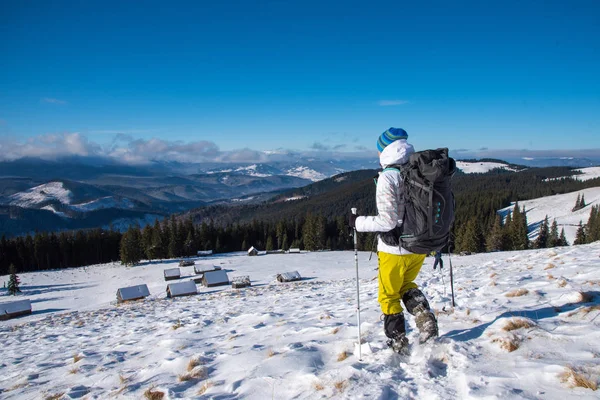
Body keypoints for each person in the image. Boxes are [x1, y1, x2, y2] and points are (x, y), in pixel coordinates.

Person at [349, 127, 438, 353]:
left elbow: (387, 222)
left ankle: (398, 343)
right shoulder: (419, 170)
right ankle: (424, 316)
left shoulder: (389, 176)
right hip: (418, 246)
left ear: (385, 150)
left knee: (388, 295)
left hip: (394, 248)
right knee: (406, 285)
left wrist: (356, 223)